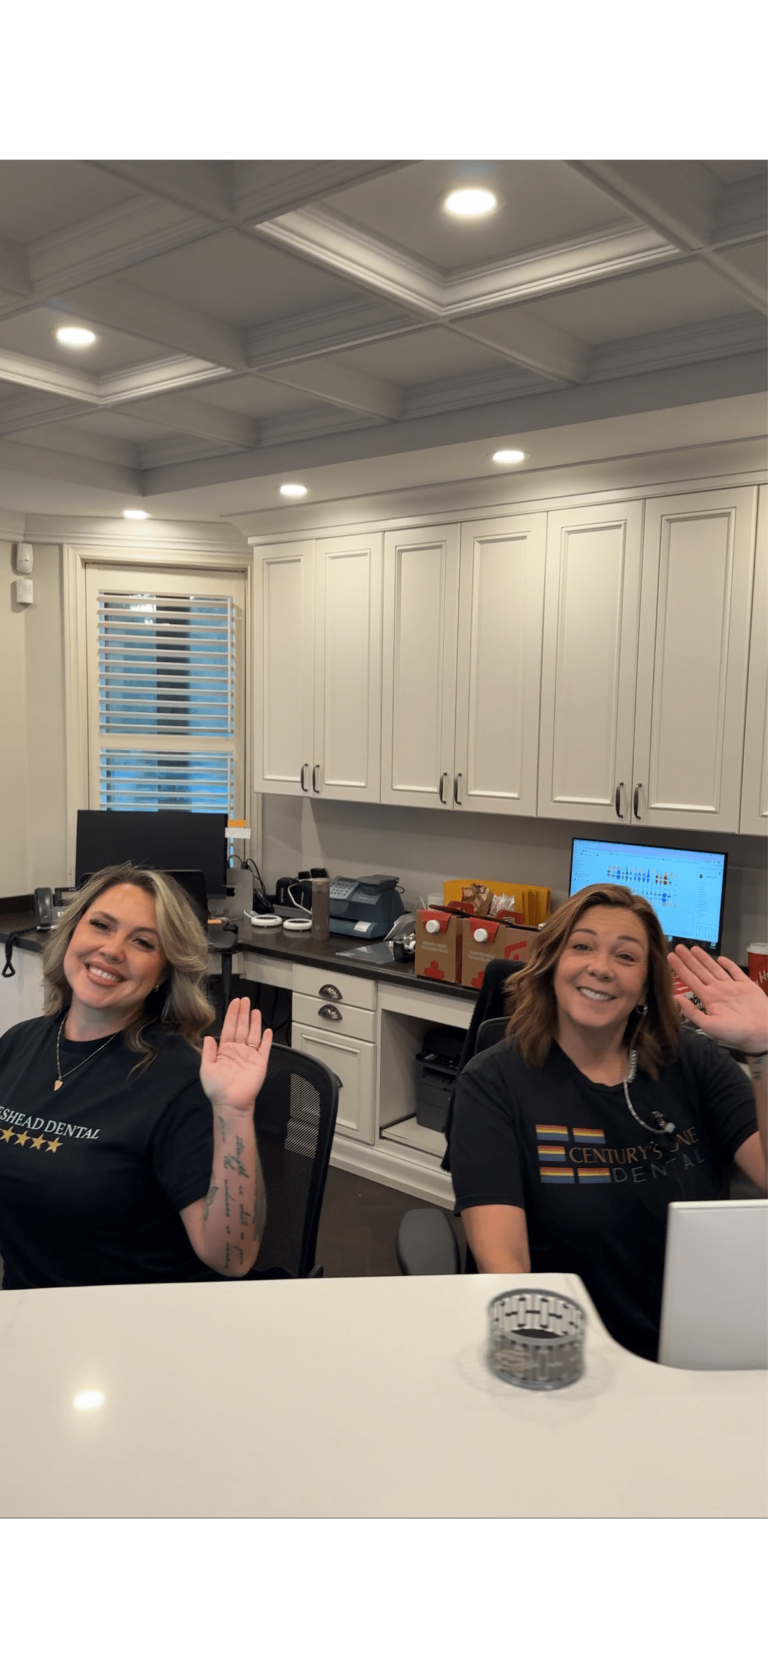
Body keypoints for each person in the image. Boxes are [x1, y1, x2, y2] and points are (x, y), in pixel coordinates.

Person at [448, 884, 767, 1361]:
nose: (601, 966)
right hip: (567, 1350)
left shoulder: (691, 1060)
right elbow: (505, 1261)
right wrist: (559, 1365)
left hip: (702, 1344)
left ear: (645, 984)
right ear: (552, 961)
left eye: (626, 956)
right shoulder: (493, 1084)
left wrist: (764, 1050)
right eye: (582, 946)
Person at [0, 863, 272, 1289]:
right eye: (101, 926)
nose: (112, 950)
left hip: (135, 1327)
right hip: (28, 1314)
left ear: (164, 971)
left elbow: (230, 1259)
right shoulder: (19, 1044)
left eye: (143, 942)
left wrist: (234, 1111)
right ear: (71, 933)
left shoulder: (182, 1081)